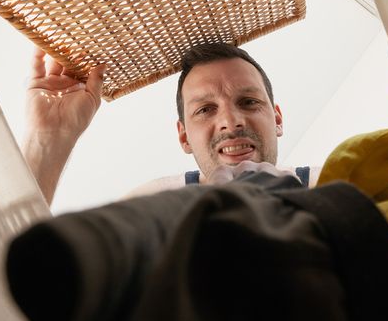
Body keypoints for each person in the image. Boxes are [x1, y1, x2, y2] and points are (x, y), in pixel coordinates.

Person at [22, 42, 319, 206]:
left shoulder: (333, 184)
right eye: (205, 109)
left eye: (249, 102)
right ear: (184, 138)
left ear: (277, 118)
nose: (231, 121)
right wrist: (49, 141)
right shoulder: (153, 204)